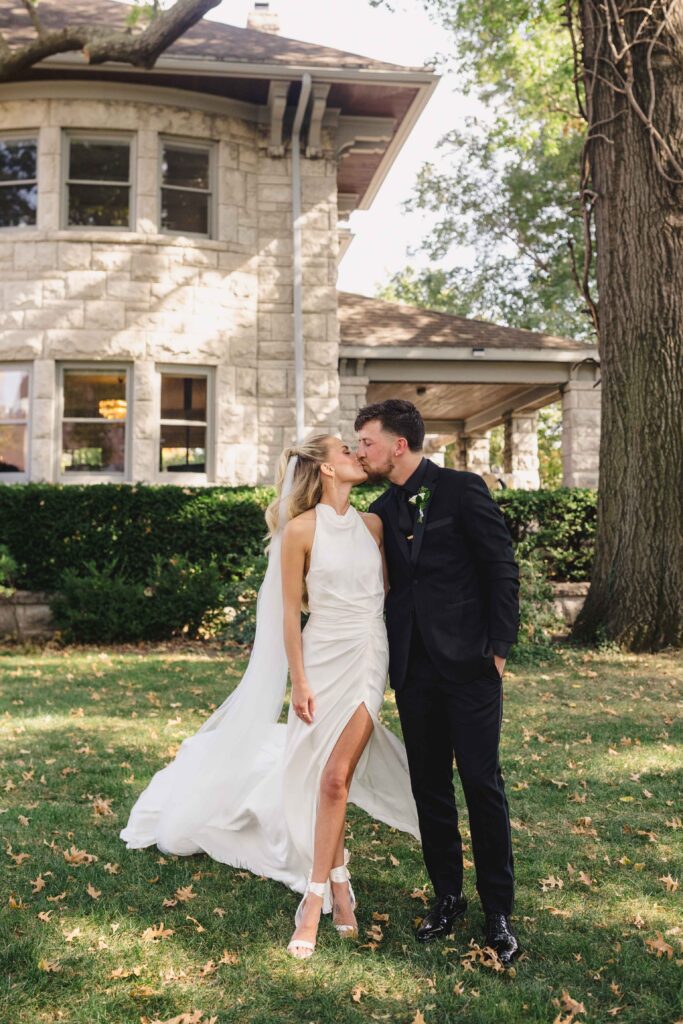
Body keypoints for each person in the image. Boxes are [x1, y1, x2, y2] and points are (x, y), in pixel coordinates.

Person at [120, 433, 419, 960]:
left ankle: (312, 898)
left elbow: (395, 597)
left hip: (367, 656)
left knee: (334, 777)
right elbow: (287, 614)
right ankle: (341, 883)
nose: (356, 454)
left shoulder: (374, 527)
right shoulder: (299, 531)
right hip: (320, 657)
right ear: (326, 469)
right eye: (346, 451)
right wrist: (299, 681)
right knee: (321, 782)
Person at [355, 399, 521, 966]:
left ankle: (497, 908)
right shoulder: (379, 508)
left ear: (398, 444)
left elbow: (501, 566)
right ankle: (447, 896)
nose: (361, 452)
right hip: (415, 672)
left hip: (472, 667)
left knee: (481, 782)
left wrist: (498, 651)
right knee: (429, 786)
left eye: (367, 443)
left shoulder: (461, 489)